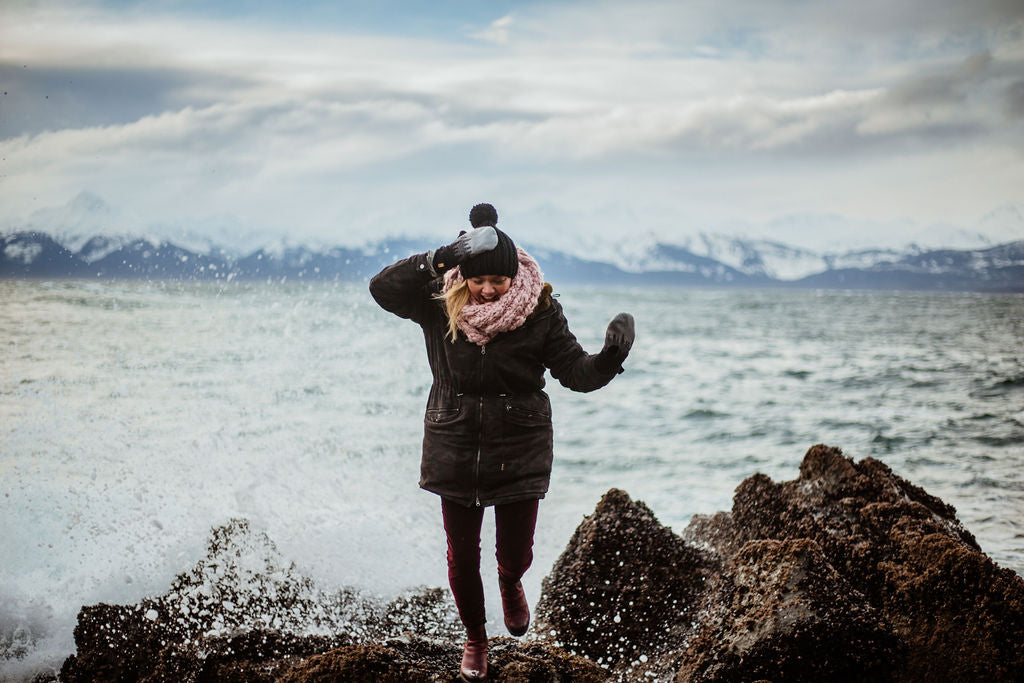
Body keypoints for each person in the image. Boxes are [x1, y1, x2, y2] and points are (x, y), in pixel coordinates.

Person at [369, 203, 634, 681]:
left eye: (499, 281)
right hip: (452, 438)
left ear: (515, 275)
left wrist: (611, 356)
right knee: (461, 554)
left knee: (515, 552)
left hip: (520, 443)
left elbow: (576, 373)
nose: (488, 289)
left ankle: (510, 582)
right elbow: (381, 289)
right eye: (478, 279)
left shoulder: (541, 312)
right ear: (463, 274)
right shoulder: (438, 301)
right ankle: (475, 638)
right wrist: (440, 257)